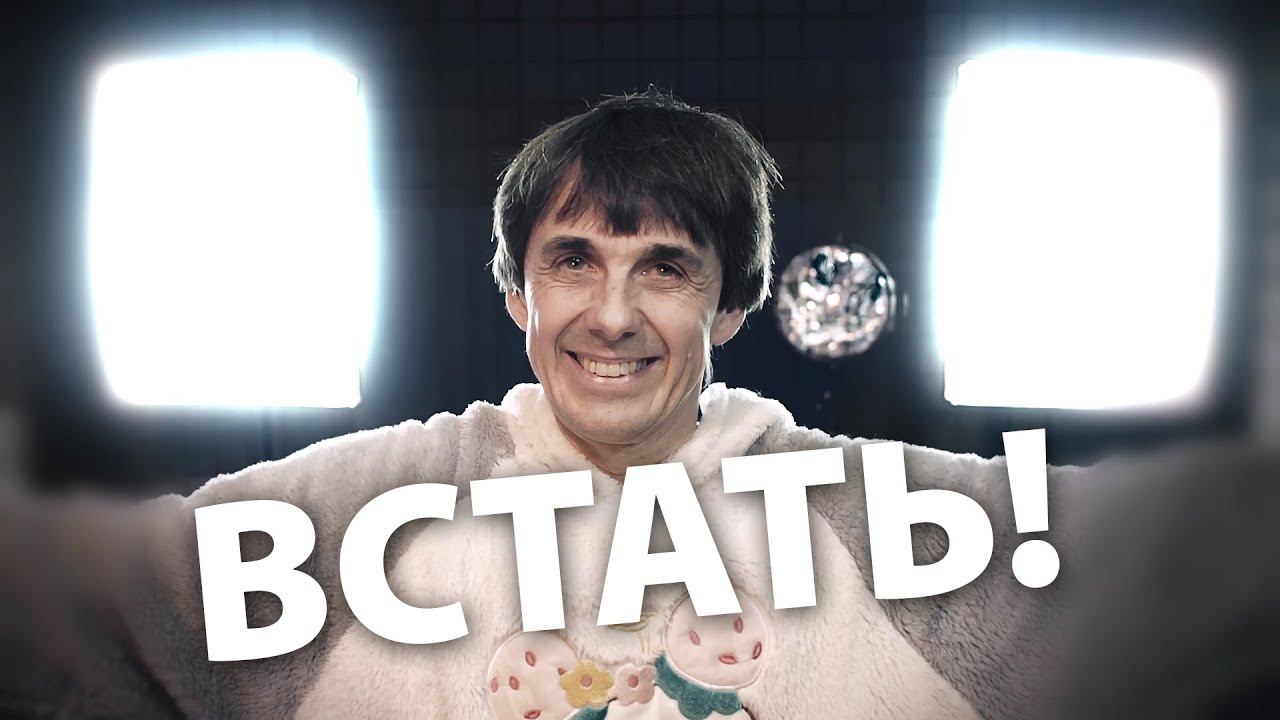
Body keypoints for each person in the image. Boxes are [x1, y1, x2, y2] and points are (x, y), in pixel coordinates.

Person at [0, 91, 1078, 719]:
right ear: (518, 293)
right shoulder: (359, 513)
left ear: (732, 308)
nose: (611, 315)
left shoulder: (885, 522)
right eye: (571, 261)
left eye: (665, 269)